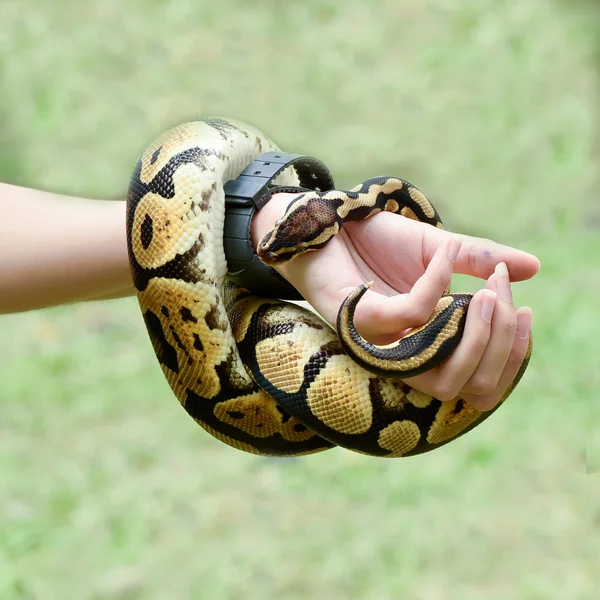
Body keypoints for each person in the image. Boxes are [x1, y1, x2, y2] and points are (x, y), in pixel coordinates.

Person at [0, 182, 538, 412]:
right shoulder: (333, 214)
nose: (279, 251)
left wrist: (250, 221)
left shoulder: (336, 217)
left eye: (297, 243)